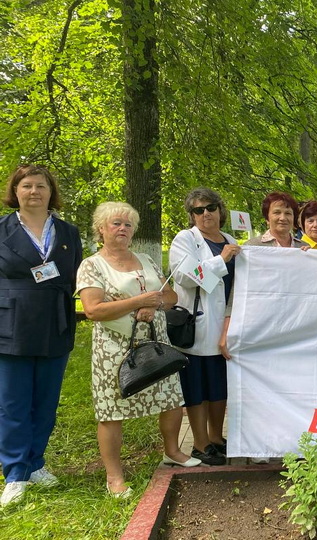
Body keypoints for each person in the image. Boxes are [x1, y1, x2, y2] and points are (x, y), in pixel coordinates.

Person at [78, 203, 199, 498]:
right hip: (114, 348)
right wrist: (137, 302)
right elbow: (92, 310)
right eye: (116, 223)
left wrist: (154, 303)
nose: (123, 229)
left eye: (128, 225)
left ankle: (172, 451)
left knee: (171, 398)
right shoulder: (92, 265)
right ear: (101, 229)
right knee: (111, 410)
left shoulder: (145, 259)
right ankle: (114, 477)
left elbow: (170, 296)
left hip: (156, 342)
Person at [0, 165, 82, 507]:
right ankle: (15, 473)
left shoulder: (67, 231)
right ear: (15, 191)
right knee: (13, 401)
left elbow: (74, 272)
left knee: (46, 401)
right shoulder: (1, 230)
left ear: (51, 192)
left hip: (55, 320)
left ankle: (35, 463)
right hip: (11, 324)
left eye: (41, 186)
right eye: (27, 186)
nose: (34, 191)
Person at [169, 188, 241, 466]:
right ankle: (200, 443)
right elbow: (186, 276)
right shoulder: (185, 239)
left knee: (218, 387)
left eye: (210, 207)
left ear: (220, 210)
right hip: (197, 326)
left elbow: (232, 284)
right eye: (198, 210)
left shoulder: (230, 240)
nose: (205, 214)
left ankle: (216, 438)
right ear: (192, 216)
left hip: (224, 323)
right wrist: (220, 260)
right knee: (197, 388)